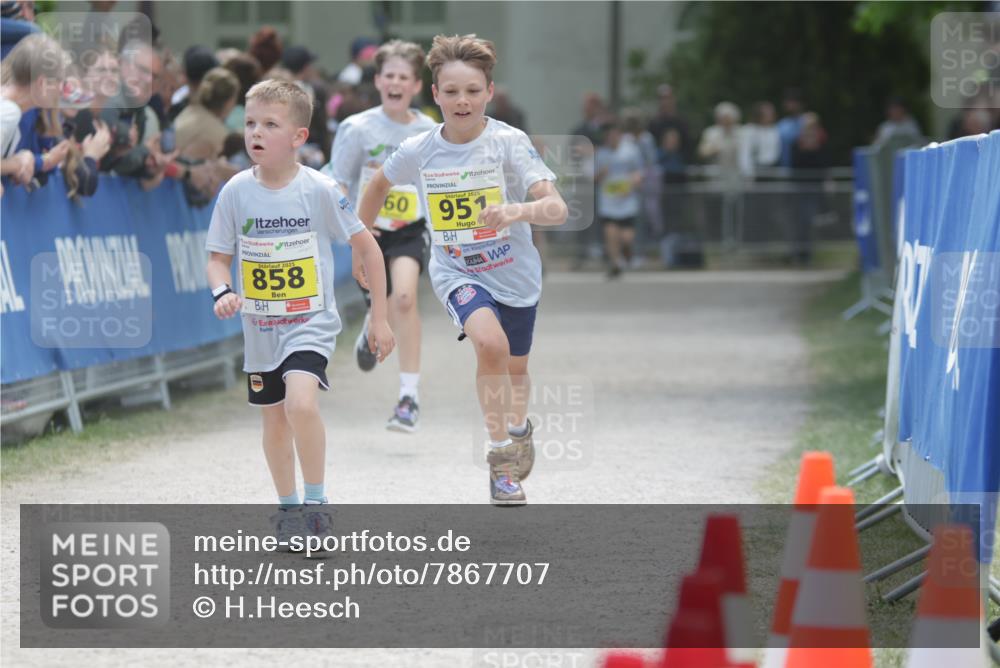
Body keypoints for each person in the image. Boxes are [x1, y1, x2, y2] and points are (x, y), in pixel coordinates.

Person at [358, 34, 568, 505]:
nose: (462, 100)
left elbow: (556, 209)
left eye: (472, 90)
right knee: (489, 345)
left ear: (489, 93)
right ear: (434, 95)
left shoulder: (508, 143)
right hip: (457, 272)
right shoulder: (419, 149)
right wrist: (362, 241)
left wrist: (516, 212)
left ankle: (517, 429)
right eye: (451, 91)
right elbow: (376, 185)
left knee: (516, 368)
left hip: (515, 275)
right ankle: (500, 463)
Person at [205, 79, 394, 541]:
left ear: (298, 137)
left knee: (300, 404)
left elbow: (369, 248)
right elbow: (217, 258)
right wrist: (222, 291)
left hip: (310, 321)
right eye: (250, 123)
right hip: (260, 328)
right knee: (273, 417)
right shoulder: (234, 192)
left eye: (270, 124)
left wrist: (381, 317)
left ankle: (316, 503)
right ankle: (288, 508)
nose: (256, 132)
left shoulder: (320, 189)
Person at [325, 40, 437, 432]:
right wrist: (354, 222)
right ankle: (373, 328)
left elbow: (437, 184)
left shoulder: (429, 130)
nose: (395, 82)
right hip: (366, 232)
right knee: (382, 305)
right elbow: (337, 182)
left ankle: (409, 398)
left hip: (410, 228)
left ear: (416, 85)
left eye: (403, 77)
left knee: (404, 298)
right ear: (377, 81)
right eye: (388, 75)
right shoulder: (357, 127)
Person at [1, 33, 65, 189]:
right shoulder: (9, 112)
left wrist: (23, 159)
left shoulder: (12, 113)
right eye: (59, 81)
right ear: (42, 83)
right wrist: (16, 164)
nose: (62, 90)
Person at [596, 118, 644, 278]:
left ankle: (626, 252)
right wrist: (601, 173)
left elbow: (639, 171)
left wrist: (634, 181)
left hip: (626, 200)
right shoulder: (601, 154)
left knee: (626, 237)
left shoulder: (630, 151)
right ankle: (615, 263)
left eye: (614, 135)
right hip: (608, 201)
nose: (611, 138)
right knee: (610, 233)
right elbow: (593, 176)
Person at [739, 101, 780, 178]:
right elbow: (745, 154)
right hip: (754, 170)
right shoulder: (749, 130)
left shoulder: (775, 130)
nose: (771, 115)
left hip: (772, 170)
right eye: (768, 113)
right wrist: (747, 174)